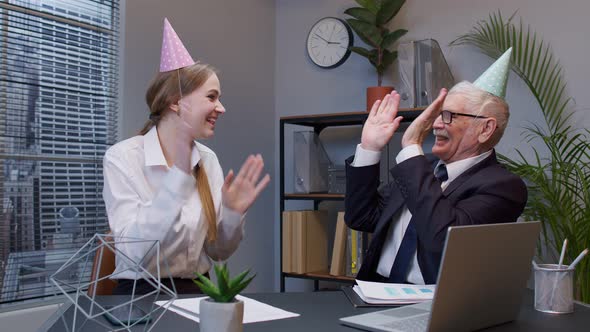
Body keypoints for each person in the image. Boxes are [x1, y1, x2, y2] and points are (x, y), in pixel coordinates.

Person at [102, 18, 270, 294]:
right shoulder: (122, 158)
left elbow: (218, 252)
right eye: (212, 97)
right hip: (139, 297)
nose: (221, 108)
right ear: (176, 102)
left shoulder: (207, 160)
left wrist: (232, 214)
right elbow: (135, 252)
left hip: (197, 292)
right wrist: (177, 179)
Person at [344, 48, 527, 284]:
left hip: (434, 304)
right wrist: (370, 147)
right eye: (437, 115)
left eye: (448, 115)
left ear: (485, 129)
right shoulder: (422, 167)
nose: (436, 124)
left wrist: (410, 146)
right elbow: (361, 218)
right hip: (378, 291)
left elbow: (443, 240)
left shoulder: (503, 187)